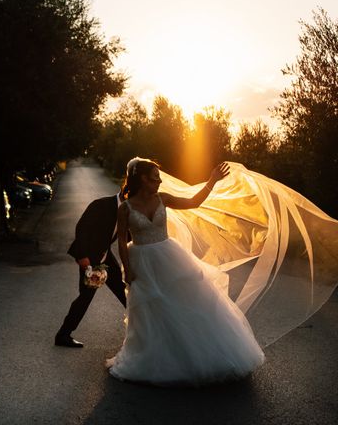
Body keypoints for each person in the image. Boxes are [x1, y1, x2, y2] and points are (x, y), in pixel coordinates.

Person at [106, 158, 265, 385]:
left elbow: (193, 202)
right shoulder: (125, 208)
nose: (159, 181)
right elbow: (121, 241)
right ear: (142, 179)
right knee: (151, 311)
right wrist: (127, 270)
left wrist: (211, 181)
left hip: (170, 258)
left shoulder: (164, 199)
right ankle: (157, 357)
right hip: (142, 261)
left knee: (185, 305)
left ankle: (197, 354)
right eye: (155, 178)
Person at [55, 191, 128, 347]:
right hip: (90, 260)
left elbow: (128, 237)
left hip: (105, 258)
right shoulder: (101, 205)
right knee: (86, 297)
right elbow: (81, 228)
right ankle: (63, 335)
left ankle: (140, 333)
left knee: (125, 292)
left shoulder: (128, 211)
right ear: (127, 193)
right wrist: (82, 256)